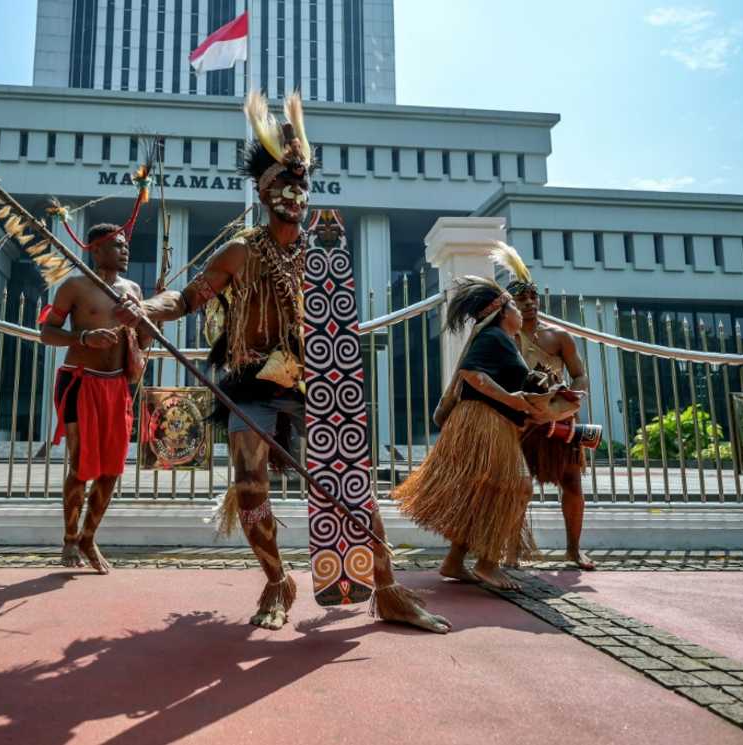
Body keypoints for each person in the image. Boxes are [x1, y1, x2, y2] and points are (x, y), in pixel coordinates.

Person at [116, 91, 450, 634]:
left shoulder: (321, 253)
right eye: (283, 184)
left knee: (349, 480)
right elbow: (185, 299)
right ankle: (276, 580)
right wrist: (143, 307)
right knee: (249, 485)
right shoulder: (240, 251)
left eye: (301, 184)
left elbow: (338, 322)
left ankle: (387, 589)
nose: (294, 194)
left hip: (312, 382)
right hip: (249, 382)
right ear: (263, 190)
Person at [392, 274, 543, 592]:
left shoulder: (502, 340)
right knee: (518, 487)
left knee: (482, 493)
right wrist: (509, 398)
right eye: (514, 305)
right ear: (502, 311)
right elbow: (471, 374)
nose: (520, 310)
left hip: (488, 422)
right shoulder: (493, 337)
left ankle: (455, 561)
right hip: (483, 421)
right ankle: (487, 564)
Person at [41, 224, 150, 574]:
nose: (124, 251)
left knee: (112, 467)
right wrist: (85, 338)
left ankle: (89, 536)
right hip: (79, 381)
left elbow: (145, 341)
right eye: (116, 245)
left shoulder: (132, 289)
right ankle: (70, 537)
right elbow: (46, 333)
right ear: (96, 250)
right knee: (80, 464)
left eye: (126, 245)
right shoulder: (73, 286)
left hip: (117, 385)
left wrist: (142, 318)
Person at [509, 280, 594, 570]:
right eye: (521, 298)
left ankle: (573, 549)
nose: (529, 302)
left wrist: (573, 396)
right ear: (510, 303)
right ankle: (511, 551)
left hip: (558, 416)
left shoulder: (559, 337)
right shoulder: (505, 336)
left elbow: (580, 375)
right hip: (522, 417)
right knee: (517, 486)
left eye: (533, 297)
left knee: (572, 482)